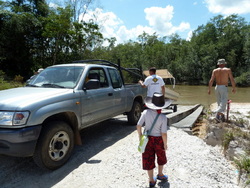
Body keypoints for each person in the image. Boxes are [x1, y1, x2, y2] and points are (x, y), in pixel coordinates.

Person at [137, 93, 172, 187]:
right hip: (158, 140)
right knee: (161, 157)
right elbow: (163, 133)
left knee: (148, 159)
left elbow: (139, 125)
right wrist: (165, 144)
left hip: (147, 139)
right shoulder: (163, 117)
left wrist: (140, 136)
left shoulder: (145, 113)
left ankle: (151, 180)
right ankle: (160, 174)